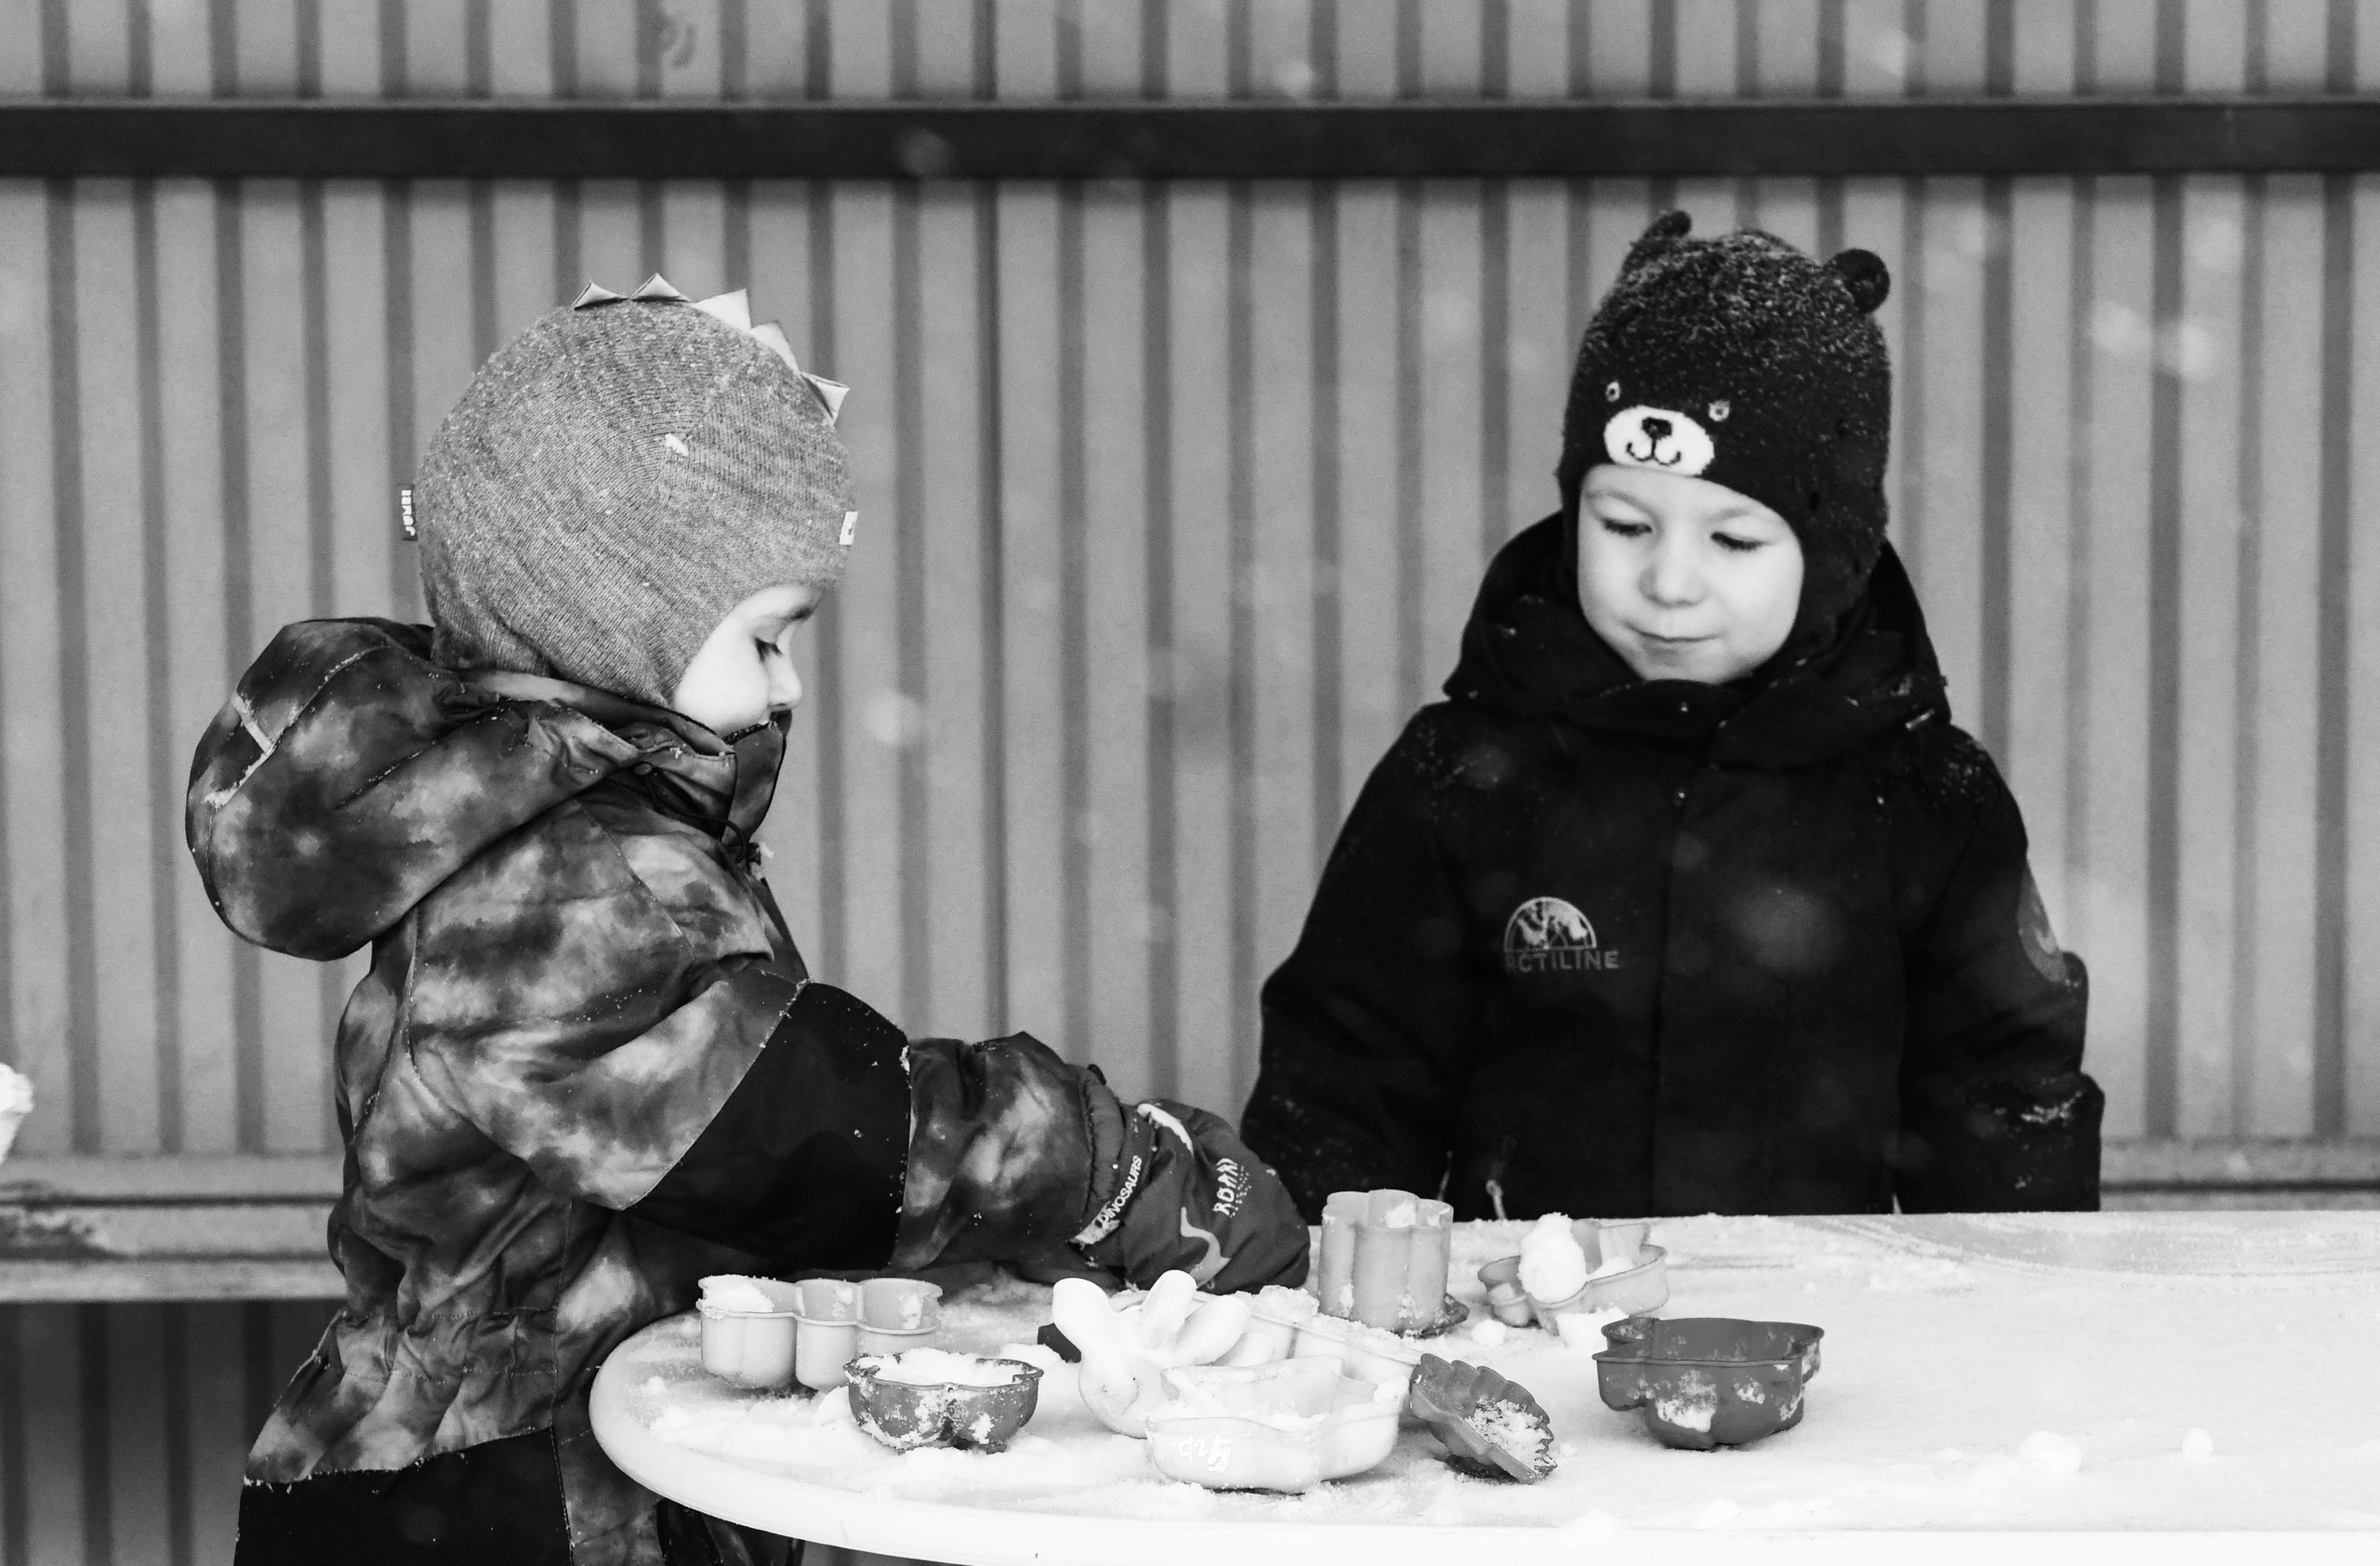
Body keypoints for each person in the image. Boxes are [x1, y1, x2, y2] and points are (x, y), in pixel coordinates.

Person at [188, 278, 1306, 1566]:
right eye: (768, 637)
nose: (782, 690)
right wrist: (1107, 1163)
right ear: (621, 606)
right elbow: (806, 1133)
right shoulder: (568, 883)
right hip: (495, 1508)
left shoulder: (557, 831)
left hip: (534, 1472)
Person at [1241, 212, 2103, 1224]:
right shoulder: (1463, 775)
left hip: (1831, 1334)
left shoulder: (1921, 798)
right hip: (1528, 1328)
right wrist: (1322, 1293)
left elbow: (2000, 1096)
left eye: (1733, 539)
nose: (1668, 581)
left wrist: (2009, 1313)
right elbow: (1350, 1066)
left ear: (1832, 555)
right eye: (1624, 524)